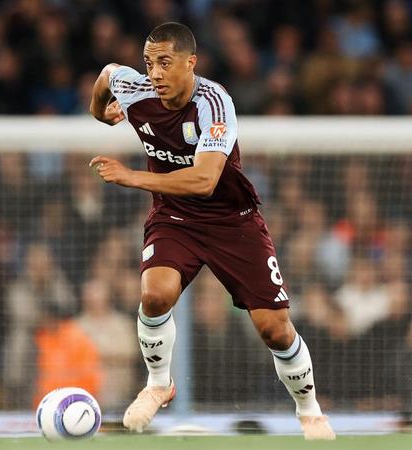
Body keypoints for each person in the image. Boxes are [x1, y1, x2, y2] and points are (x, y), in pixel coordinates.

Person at [89, 22, 335, 440]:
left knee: (275, 329)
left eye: (165, 63)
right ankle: (158, 385)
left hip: (232, 221)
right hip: (174, 217)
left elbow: (204, 180)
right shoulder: (136, 89)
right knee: (154, 295)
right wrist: (101, 112)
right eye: (149, 64)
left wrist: (131, 177)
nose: (155, 74)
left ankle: (310, 411)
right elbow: (108, 74)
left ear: (191, 63)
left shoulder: (214, 102)